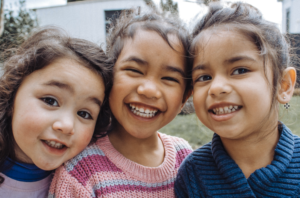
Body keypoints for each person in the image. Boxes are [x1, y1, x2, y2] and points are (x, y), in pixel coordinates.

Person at [49, 10, 193, 198]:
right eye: (134, 70)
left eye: (169, 78)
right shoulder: (80, 173)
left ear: (185, 97)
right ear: (108, 76)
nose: (149, 90)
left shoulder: (187, 159)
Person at [175, 2, 299, 197]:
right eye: (204, 77)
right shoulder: (192, 174)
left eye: (240, 70)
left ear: (283, 85)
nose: (216, 88)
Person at [0, 27, 112, 198]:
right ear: (11, 97)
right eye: (50, 101)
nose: (66, 126)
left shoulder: (84, 187)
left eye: (84, 114)